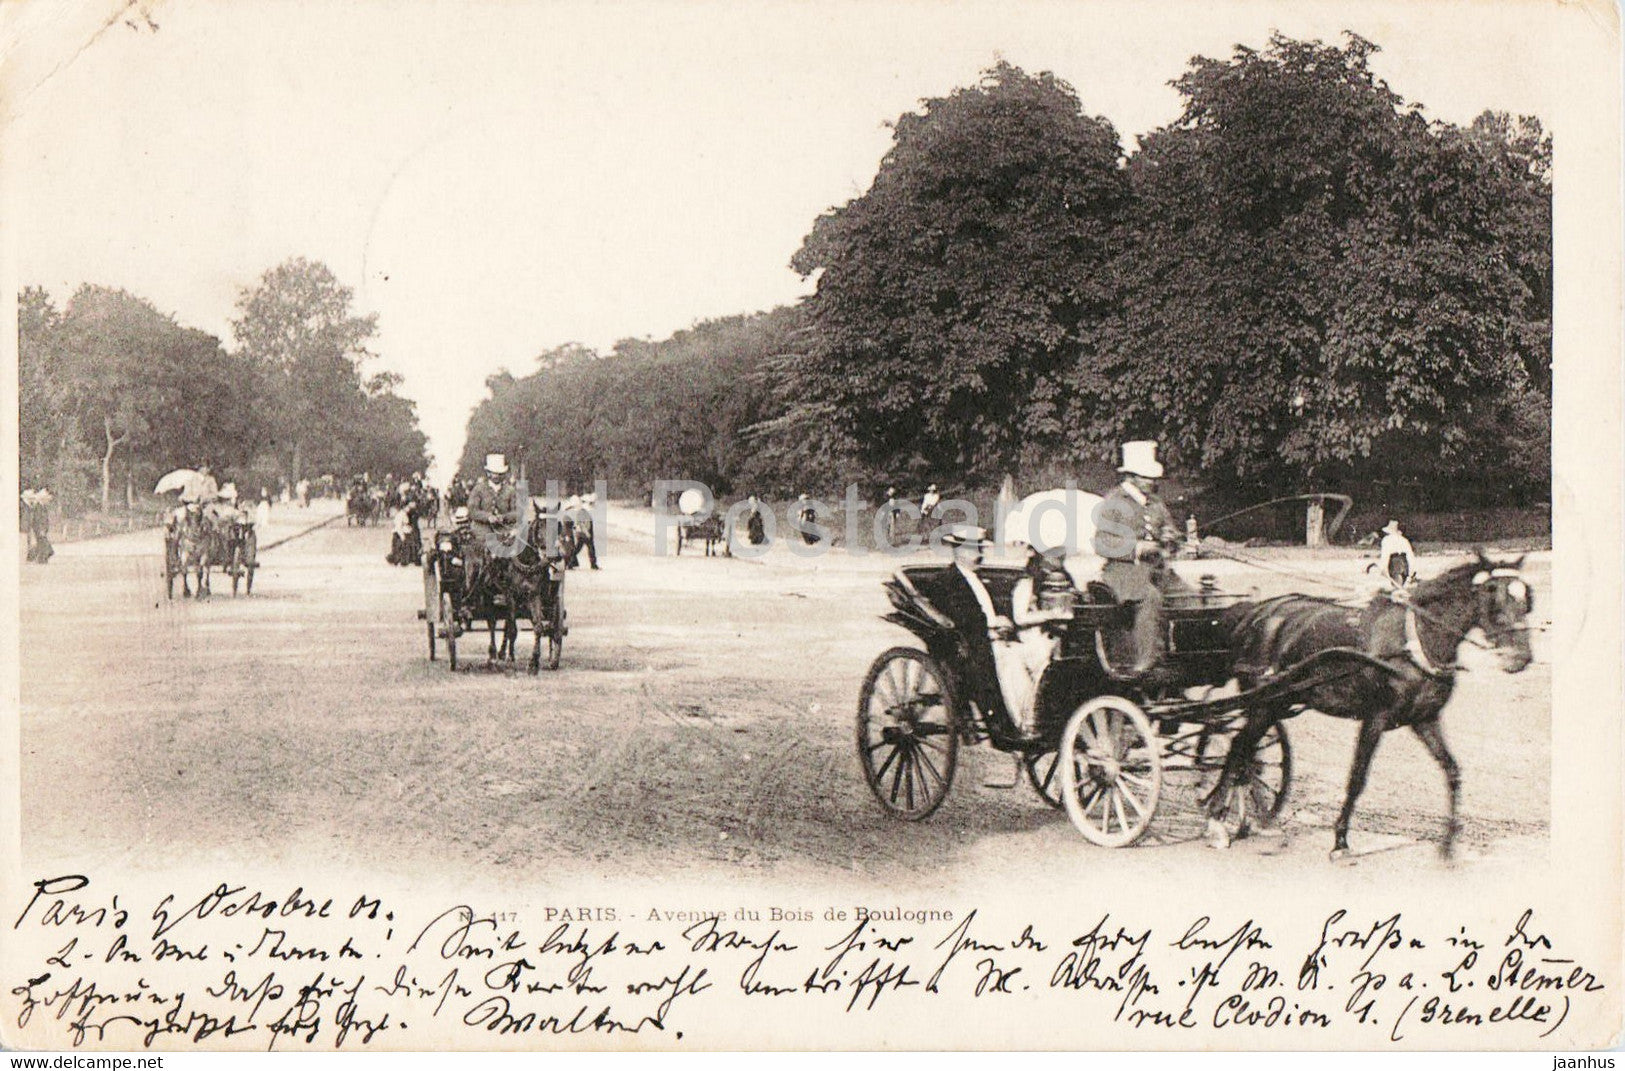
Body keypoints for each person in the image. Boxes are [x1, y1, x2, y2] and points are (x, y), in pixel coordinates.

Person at [1094, 440, 1187, 679]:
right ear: (1132, 477)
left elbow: (1171, 532)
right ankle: (1146, 663)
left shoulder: (1155, 503)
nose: (1152, 482)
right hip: (1122, 574)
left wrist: (1171, 537)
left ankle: (1184, 657)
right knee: (1150, 597)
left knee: (1192, 598)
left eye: (1152, 478)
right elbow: (1101, 542)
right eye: (1146, 477)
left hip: (1158, 572)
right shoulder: (1114, 501)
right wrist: (1137, 548)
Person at [465, 453, 520, 594]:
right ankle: (480, 581)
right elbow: (472, 511)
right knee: (485, 550)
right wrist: (488, 517)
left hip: (504, 530)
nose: (496, 476)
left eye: (499, 473)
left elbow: (517, 512)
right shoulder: (478, 489)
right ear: (488, 473)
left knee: (516, 550)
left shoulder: (510, 490)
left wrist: (504, 517)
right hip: (482, 530)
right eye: (493, 473)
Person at [1378, 520, 1416, 587]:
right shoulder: (1404, 540)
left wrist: (1384, 568)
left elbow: (1385, 555)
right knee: (1401, 585)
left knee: (1397, 586)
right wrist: (1412, 572)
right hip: (1405, 564)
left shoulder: (1386, 540)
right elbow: (1410, 556)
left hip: (1395, 565)